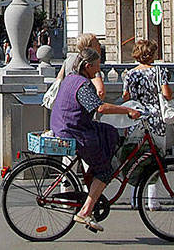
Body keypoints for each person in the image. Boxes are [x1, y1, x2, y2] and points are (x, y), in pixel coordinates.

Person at [51, 47, 140, 233]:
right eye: (97, 66)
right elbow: (98, 108)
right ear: (88, 66)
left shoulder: (70, 79)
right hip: (73, 131)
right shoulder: (83, 84)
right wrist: (127, 110)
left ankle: (93, 175)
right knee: (106, 170)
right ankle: (86, 210)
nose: (98, 70)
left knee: (109, 131)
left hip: (66, 125)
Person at [122, 39, 173, 144]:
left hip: (136, 114)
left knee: (135, 148)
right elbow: (167, 94)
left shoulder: (130, 73)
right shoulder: (159, 72)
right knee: (157, 150)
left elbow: (125, 96)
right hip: (155, 116)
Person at [54, 33, 107, 99]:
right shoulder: (91, 61)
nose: (100, 45)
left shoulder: (69, 59)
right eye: (97, 42)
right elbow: (100, 91)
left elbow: (59, 79)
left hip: (67, 98)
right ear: (89, 47)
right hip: (84, 102)